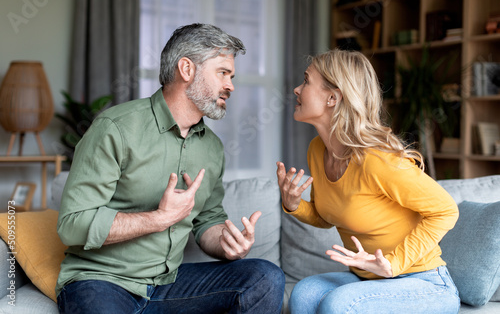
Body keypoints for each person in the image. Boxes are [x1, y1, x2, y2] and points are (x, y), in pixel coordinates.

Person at [56, 23, 285, 314]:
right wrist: (158, 219)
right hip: (101, 280)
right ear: (186, 69)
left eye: (232, 76)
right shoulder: (115, 128)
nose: (231, 86)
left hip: (169, 284)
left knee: (264, 277)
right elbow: (72, 225)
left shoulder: (212, 148)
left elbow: (208, 221)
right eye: (223, 73)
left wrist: (227, 244)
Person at [276, 48, 460, 314]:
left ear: (332, 98)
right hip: (367, 279)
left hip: (423, 281)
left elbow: (446, 210)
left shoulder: (377, 160)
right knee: (303, 294)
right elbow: (327, 216)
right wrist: (294, 205)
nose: (296, 89)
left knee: (339, 305)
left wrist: (394, 264)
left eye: (306, 81)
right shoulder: (318, 150)